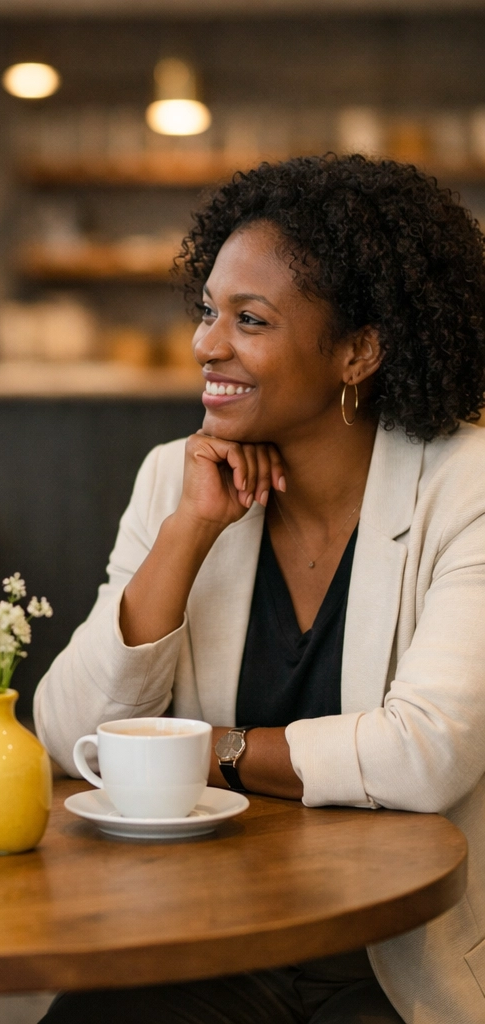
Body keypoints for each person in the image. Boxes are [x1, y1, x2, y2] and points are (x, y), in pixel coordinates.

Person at [34, 154, 485, 1024]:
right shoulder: (175, 479)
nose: (206, 344)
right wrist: (188, 532)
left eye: (250, 319)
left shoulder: (466, 487)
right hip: (209, 939)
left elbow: (423, 754)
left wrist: (204, 751)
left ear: (358, 352)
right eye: (208, 311)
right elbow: (67, 736)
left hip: (397, 961)